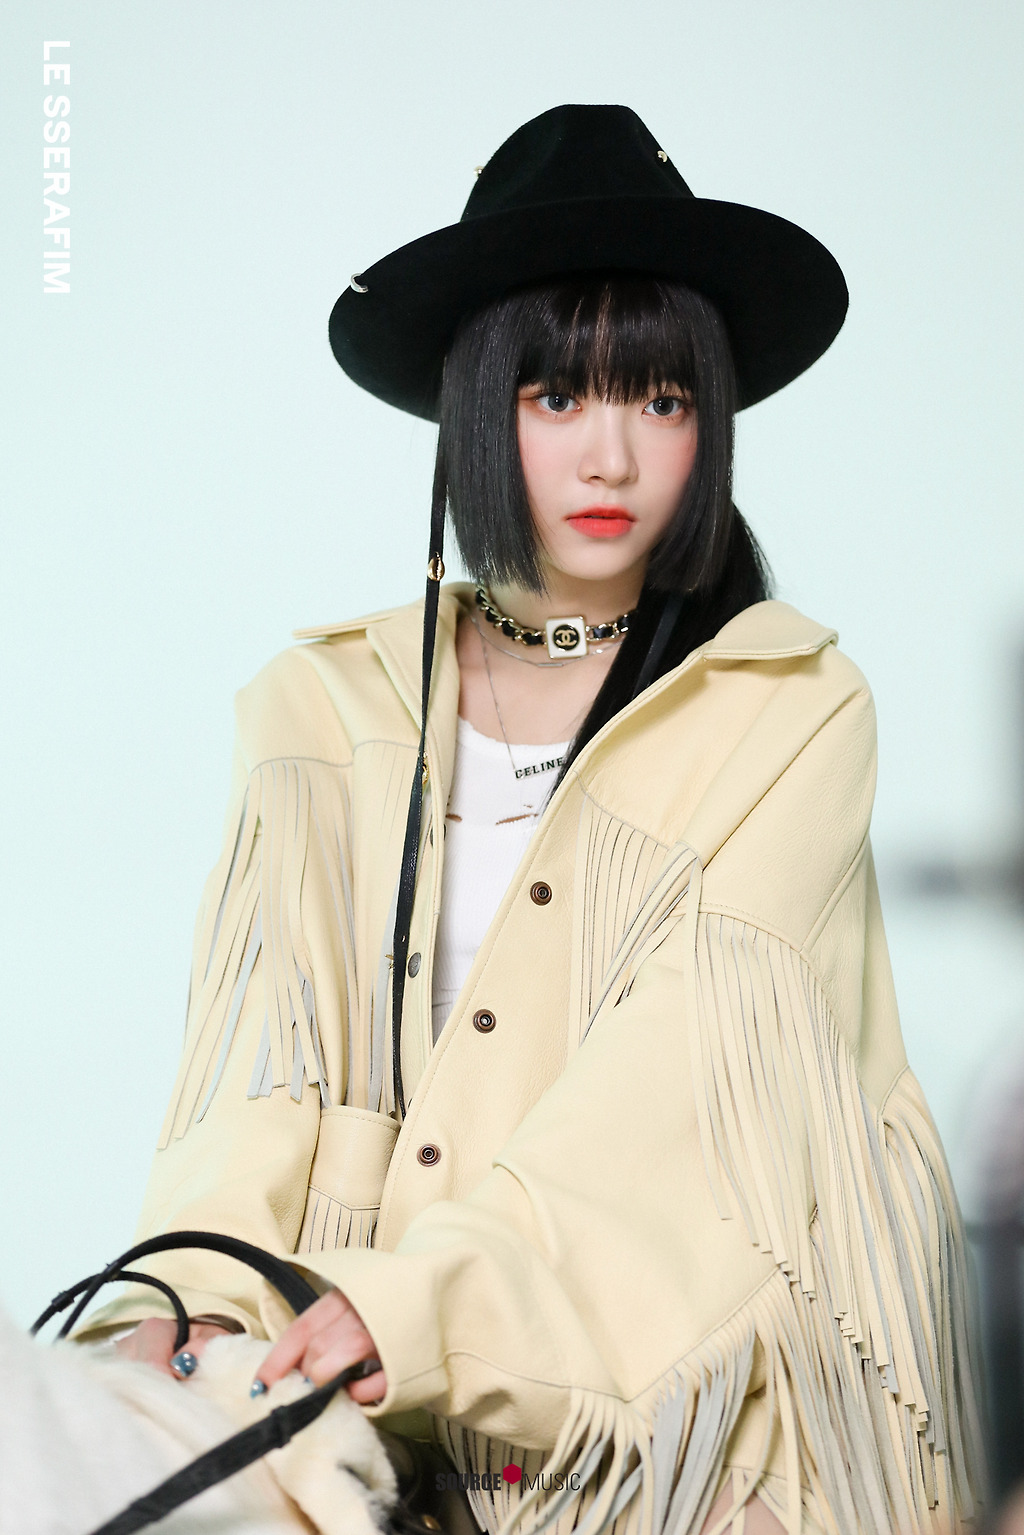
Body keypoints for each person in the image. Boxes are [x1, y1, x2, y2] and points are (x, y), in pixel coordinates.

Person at [85, 105, 983, 1534]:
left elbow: (683, 1100)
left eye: (662, 400)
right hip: (351, 1382)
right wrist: (185, 1299)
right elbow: (263, 1072)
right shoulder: (322, 706)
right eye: (558, 398)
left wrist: (424, 1306)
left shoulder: (790, 707)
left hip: (686, 1417)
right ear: (477, 412)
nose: (612, 457)